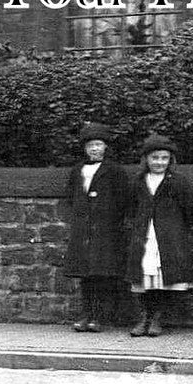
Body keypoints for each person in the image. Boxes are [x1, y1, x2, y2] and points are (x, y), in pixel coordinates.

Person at [124, 134, 193, 338]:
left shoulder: (178, 182)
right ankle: (143, 317)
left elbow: (190, 210)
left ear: (170, 160)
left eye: (164, 158)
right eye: (155, 158)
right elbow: (130, 208)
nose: (159, 162)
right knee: (143, 278)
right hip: (144, 235)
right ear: (146, 159)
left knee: (163, 278)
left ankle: (157, 318)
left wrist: (177, 230)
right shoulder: (138, 181)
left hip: (168, 236)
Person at [62, 122, 130, 332]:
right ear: (84, 148)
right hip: (83, 231)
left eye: (98, 145)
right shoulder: (78, 171)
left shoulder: (114, 171)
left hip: (105, 230)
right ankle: (86, 314)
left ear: (105, 147)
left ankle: (99, 317)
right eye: (91, 145)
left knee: (102, 275)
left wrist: (113, 223)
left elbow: (122, 200)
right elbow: (71, 197)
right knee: (85, 275)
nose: (94, 149)